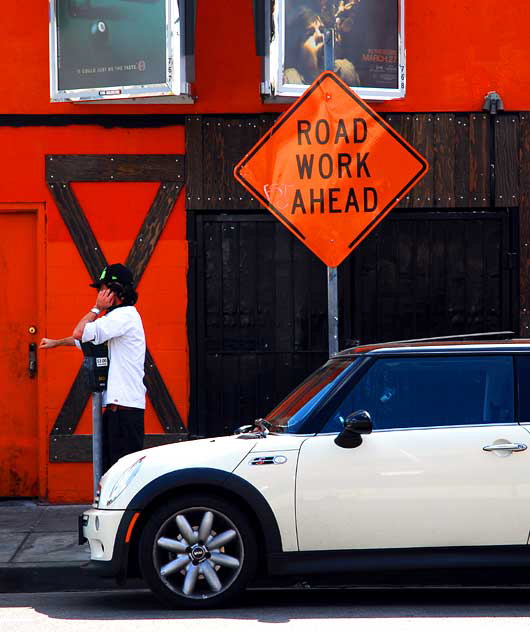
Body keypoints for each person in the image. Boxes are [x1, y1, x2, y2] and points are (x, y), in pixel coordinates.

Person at [40, 263, 146, 472]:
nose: (99, 293)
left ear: (116, 292)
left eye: (102, 289)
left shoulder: (122, 316)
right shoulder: (116, 319)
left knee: (120, 476)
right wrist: (56, 343)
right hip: (118, 411)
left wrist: (96, 308)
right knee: (111, 473)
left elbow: (80, 332)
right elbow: (85, 340)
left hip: (125, 413)